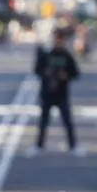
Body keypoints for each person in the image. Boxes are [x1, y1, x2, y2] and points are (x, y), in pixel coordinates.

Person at [27, 29, 83, 157]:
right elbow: (37, 70)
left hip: (62, 94)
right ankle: (39, 145)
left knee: (67, 121)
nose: (58, 41)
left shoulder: (67, 56)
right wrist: (45, 73)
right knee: (43, 122)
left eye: (60, 39)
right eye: (56, 38)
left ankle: (73, 145)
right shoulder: (47, 55)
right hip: (47, 93)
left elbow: (76, 73)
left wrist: (66, 76)